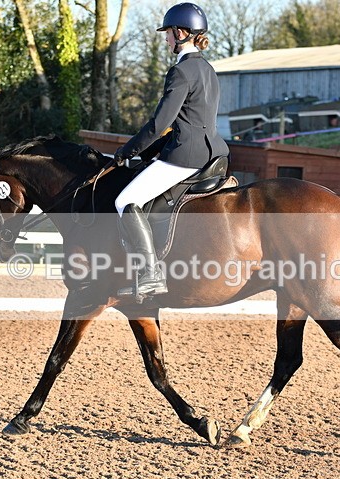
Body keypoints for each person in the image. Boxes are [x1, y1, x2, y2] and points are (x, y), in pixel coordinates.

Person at [113, 2, 229, 300]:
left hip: (186, 156)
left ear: (180, 33)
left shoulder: (181, 71)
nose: (165, 39)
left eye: (167, 33)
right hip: (214, 152)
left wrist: (127, 151)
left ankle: (150, 274)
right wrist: (150, 153)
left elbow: (159, 124)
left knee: (126, 200)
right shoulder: (208, 69)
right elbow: (193, 121)